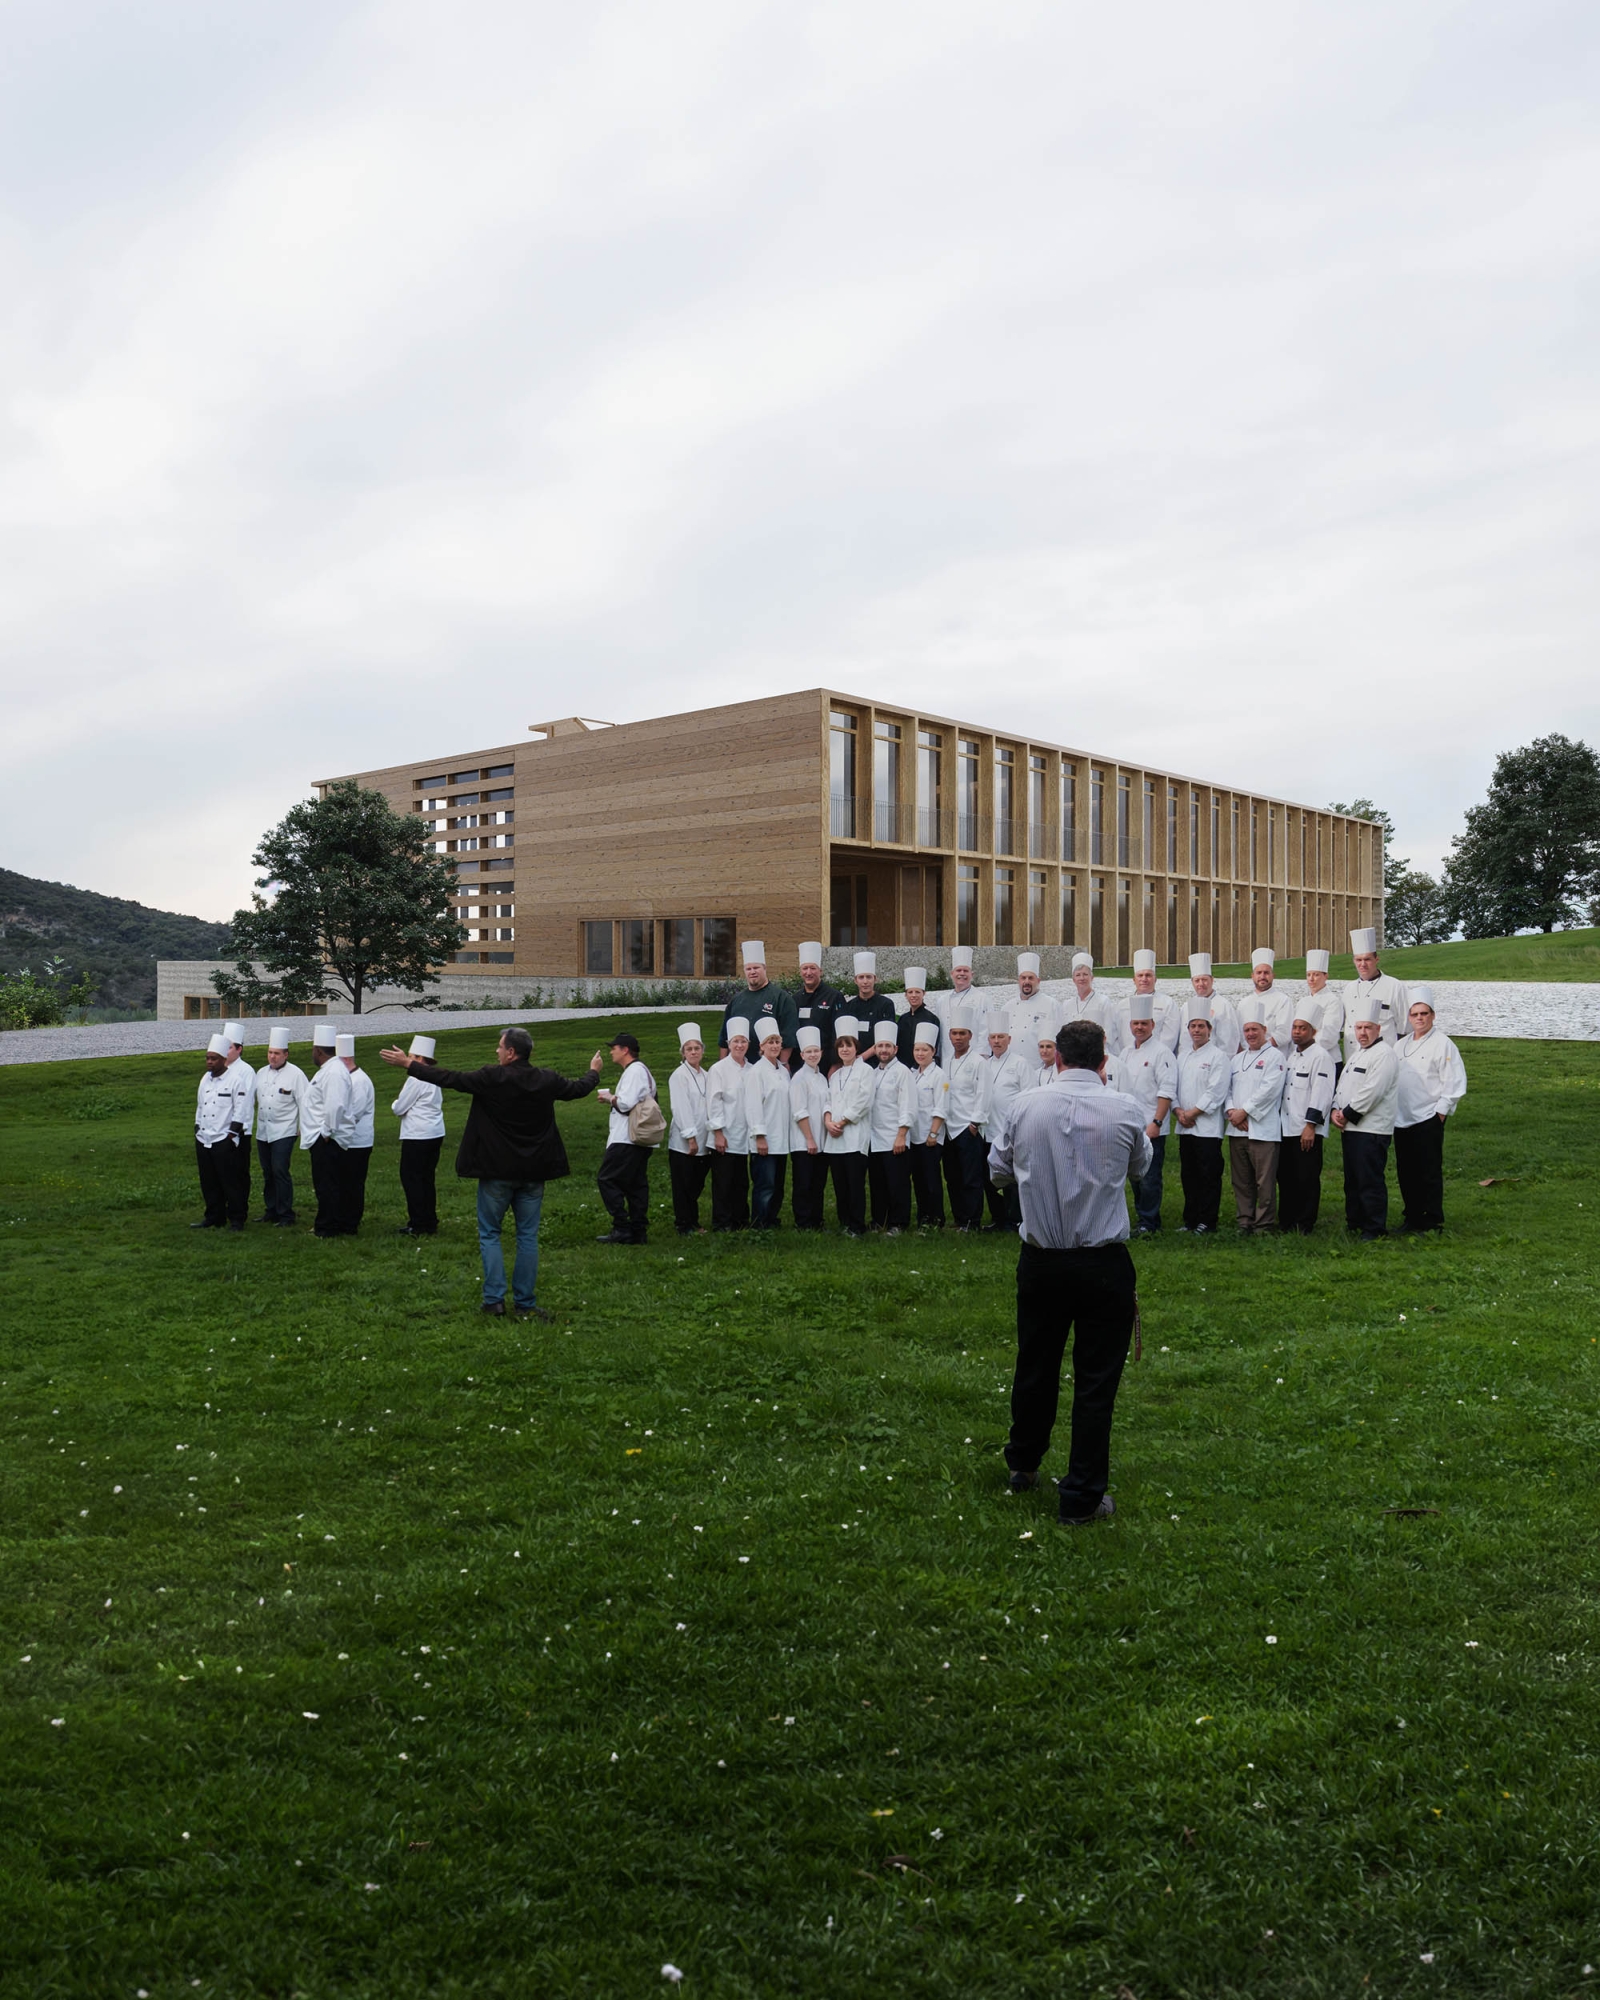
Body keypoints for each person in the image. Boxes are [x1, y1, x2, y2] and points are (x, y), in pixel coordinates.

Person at [989, 1020, 1151, 1528]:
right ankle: (1079, 1496)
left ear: (1056, 1059)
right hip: (1101, 1261)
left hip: (1042, 1259)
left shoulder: (1024, 1106)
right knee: (1095, 1381)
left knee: (1035, 1362)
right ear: (1104, 1061)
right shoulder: (1124, 1108)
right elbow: (1141, 1169)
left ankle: (1024, 1462)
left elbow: (996, 1169)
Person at [379, 1026, 602, 1318]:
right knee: (527, 1237)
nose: (496, 1051)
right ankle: (524, 1303)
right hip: (534, 1172)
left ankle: (494, 1300)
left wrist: (409, 1064)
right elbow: (578, 1089)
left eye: (499, 1047)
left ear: (511, 1052)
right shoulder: (546, 1079)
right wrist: (594, 1071)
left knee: (490, 1234)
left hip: (496, 1170)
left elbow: (450, 1079)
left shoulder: (492, 1078)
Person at [1393, 985, 1468, 1234]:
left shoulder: (1443, 1044)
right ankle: (1412, 1216)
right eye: (1415, 1014)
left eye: (1424, 1013)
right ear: (1409, 1017)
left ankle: (1432, 1219)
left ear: (1433, 1016)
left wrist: (1441, 1112)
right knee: (1406, 1170)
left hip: (1428, 1117)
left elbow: (1454, 1081)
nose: (1420, 1018)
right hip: (1401, 1118)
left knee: (1428, 1170)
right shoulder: (1399, 1045)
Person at [1332, 998, 1400, 1239]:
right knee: (1353, 1180)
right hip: (1350, 1128)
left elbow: (1373, 1091)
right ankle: (1356, 1221)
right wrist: (1334, 1110)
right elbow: (1342, 1087)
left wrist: (1346, 1114)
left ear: (1378, 1029)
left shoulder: (1384, 1055)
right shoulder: (1357, 1054)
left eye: (1367, 1028)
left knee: (1369, 1179)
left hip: (1371, 1129)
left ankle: (1374, 1227)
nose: (1362, 1032)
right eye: (1359, 1027)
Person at [1106, 995, 1175, 1234]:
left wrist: (1157, 1121)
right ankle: (1141, 1218)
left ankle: (1149, 1222)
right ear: (1130, 1026)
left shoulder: (1162, 1053)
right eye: (1135, 1023)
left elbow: (1167, 1090)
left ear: (1153, 1025)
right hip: (1130, 1126)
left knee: (1150, 1176)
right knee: (1134, 1176)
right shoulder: (1124, 1053)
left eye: (1144, 1023)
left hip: (1151, 1125)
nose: (1139, 1027)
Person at [1226, 999, 1287, 1233]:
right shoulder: (1236, 1059)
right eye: (1247, 1030)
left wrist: (1245, 1112)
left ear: (1265, 1031)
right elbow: (1227, 1089)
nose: (1250, 1034)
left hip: (1263, 1129)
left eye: (1255, 1030)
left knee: (1264, 1181)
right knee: (1241, 1180)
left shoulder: (1275, 1057)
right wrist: (1232, 1111)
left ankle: (1263, 1223)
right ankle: (1244, 1220)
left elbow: (1270, 1091)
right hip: (1237, 1128)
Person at [1277, 1001, 1336, 1235]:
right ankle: (1287, 1220)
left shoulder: (1320, 1057)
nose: (1297, 1032)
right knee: (1286, 1176)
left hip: (1305, 1129)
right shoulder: (1291, 1057)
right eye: (1294, 1027)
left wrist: (1310, 1126)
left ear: (1314, 1031)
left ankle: (1305, 1222)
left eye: (1302, 1028)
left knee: (1307, 1178)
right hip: (1286, 1127)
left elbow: (1322, 1093)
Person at [1173, 999, 1230, 1233]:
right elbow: (1172, 1086)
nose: (1196, 1030)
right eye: (1193, 1026)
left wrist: (1192, 1112)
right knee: (1189, 1174)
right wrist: (1178, 1111)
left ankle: (1207, 1221)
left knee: (1208, 1175)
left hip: (1206, 1127)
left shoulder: (1218, 1056)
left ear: (1210, 1029)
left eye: (1201, 1026)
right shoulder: (1182, 1056)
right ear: (1188, 1030)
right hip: (1185, 1126)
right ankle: (1191, 1219)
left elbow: (1216, 1092)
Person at [595, 1032, 658, 1244]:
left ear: (625, 1050)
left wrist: (609, 1098)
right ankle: (638, 1230)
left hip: (626, 1138)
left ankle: (621, 1227)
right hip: (638, 1139)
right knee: (635, 1184)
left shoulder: (634, 1071)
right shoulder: (641, 1071)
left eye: (614, 1047)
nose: (611, 1051)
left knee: (606, 1179)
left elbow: (625, 1104)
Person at [192, 1032, 248, 1230]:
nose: (209, 1062)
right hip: (204, 1138)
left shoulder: (235, 1080)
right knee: (209, 1181)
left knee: (231, 1182)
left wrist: (231, 1135)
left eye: (213, 1059)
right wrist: (197, 1128)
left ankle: (237, 1218)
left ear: (224, 1060)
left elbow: (241, 1109)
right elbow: (200, 1106)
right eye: (207, 1058)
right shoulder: (204, 1080)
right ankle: (214, 1216)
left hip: (223, 1139)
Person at [300, 1024, 352, 1238]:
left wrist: (326, 1132)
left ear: (318, 1051)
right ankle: (331, 1222)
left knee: (326, 1185)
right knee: (327, 1183)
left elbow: (335, 1105)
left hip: (327, 1139)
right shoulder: (330, 1070)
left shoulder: (334, 1072)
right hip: (322, 1136)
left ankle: (327, 1227)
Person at [822, 1017, 873, 1234]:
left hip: (854, 1135)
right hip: (834, 1138)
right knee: (840, 1184)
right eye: (841, 1046)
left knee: (854, 1184)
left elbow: (864, 1101)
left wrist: (841, 1122)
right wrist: (827, 1121)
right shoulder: (836, 1075)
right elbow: (828, 1100)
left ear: (856, 1047)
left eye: (848, 1045)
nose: (844, 1049)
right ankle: (844, 1222)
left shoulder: (866, 1071)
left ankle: (857, 1225)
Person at [979, 1009, 1028, 1232]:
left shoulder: (1020, 1064)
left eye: (1001, 1037)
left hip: (1011, 1131)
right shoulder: (985, 1064)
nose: (996, 1041)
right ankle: (998, 1218)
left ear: (1009, 1039)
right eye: (993, 1037)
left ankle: (1015, 1218)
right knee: (990, 1178)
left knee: (1011, 1178)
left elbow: (1028, 1097)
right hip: (987, 1130)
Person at [392, 1033, 445, 1235]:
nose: (409, 1061)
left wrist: (394, 1103)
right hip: (435, 1131)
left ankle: (418, 1223)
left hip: (417, 1135)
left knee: (412, 1178)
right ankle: (429, 1220)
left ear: (420, 1059)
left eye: (412, 1057)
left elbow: (399, 1107)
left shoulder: (416, 1078)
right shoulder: (434, 1076)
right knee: (426, 1178)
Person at [941, 1006, 988, 1231]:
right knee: (952, 1177)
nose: (957, 1038)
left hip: (967, 1127)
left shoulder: (978, 1062)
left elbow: (984, 1093)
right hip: (949, 1128)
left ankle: (972, 1221)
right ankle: (959, 1218)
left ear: (970, 1036)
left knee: (971, 1178)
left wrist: (975, 1122)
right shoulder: (947, 1061)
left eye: (962, 1033)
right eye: (954, 1033)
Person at [254, 1025, 305, 1227]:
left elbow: (305, 1103)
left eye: (276, 1053)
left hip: (285, 1130)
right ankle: (271, 1210)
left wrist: (302, 1127)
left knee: (280, 1170)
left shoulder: (296, 1075)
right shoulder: (260, 1073)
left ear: (286, 1054)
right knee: (267, 1171)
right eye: (270, 1052)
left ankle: (286, 1214)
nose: (272, 1057)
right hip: (263, 1130)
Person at [867, 1018, 914, 1233]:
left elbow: (908, 1105)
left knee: (897, 1184)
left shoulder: (903, 1072)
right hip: (875, 1138)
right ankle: (879, 1220)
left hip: (895, 1137)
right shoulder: (873, 1074)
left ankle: (898, 1223)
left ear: (895, 1048)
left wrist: (901, 1134)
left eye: (887, 1046)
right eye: (880, 1046)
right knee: (878, 1183)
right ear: (875, 1049)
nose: (883, 1050)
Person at [706, 1017, 752, 1232]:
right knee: (723, 1182)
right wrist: (718, 1132)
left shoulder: (752, 1070)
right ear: (728, 1044)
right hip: (724, 1134)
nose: (739, 1045)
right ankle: (722, 1222)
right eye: (735, 1041)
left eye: (743, 1041)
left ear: (748, 1044)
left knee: (741, 1180)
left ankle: (740, 1219)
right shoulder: (718, 1069)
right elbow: (714, 1102)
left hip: (744, 1136)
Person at [745, 1021, 792, 1227]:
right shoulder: (757, 1072)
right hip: (765, 1138)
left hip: (781, 1138)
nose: (774, 1045)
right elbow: (753, 1105)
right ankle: (760, 1222)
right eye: (769, 1042)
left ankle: (772, 1218)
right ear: (761, 1047)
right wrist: (760, 1136)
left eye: (777, 1042)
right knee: (765, 1184)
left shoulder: (783, 1071)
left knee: (778, 1185)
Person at [667, 1022, 711, 1236]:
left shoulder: (706, 1074)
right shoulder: (679, 1076)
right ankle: (684, 1224)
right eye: (689, 1049)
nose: (693, 1052)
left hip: (705, 1139)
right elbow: (680, 1108)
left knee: (696, 1184)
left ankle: (693, 1221)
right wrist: (690, 1138)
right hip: (684, 1142)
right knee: (683, 1185)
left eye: (697, 1048)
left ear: (702, 1050)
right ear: (683, 1053)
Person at [718, 941, 799, 1058]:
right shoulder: (736, 1000)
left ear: (765, 968)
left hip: (769, 1063)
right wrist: (723, 1064)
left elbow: (788, 1037)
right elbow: (724, 1037)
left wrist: (783, 1063)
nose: (752, 972)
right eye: (748, 969)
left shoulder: (782, 998)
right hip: (739, 1064)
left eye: (756, 968)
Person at [788, 1026, 831, 1229]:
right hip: (804, 1141)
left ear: (821, 1053)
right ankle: (803, 1221)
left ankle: (817, 1219)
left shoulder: (822, 1078)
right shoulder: (799, 1079)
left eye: (816, 1051)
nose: (813, 1055)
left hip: (821, 1140)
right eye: (809, 1052)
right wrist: (809, 1138)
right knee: (804, 1183)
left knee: (818, 1182)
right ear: (802, 1054)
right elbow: (799, 1111)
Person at [907, 1022, 948, 1227]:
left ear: (933, 1051)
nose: (920, 1053)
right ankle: (923, 1217)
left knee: (931, 1180)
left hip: (930, 1137)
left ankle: (937, 1218)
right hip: (914, 1136)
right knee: (919, 1180)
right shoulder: (913, 1074)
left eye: (925, 1050)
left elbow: (941, 1106)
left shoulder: (939, 1075)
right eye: (917, 1049)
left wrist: (933, 1134)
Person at [219, 1020, 257, 1225]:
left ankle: (238, 1214)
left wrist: (235, 1130)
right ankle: (220, 1211)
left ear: (239, 1049)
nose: (225, 1050)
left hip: (239, 1132)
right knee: (221, 1174)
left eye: (229, 1046)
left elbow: (244, 1105)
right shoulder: (218, 1068)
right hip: (218, 1132)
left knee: (238, 1174)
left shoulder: (246, 1072)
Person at [1347, 926, 1410, 1051]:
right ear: (1354, 961)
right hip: (1353, 1055)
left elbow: (1405, 1027)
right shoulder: (1349, 989)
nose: (1363, 964)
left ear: (1376, 959)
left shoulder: (1395, 986)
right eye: (1359, 960)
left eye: (1367, 959)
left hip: (1384, 1055)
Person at [1111, 950, 1182, 1055]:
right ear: (1134, 980)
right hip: (1126, 1058)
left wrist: (1151, 1057)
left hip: (1156, 1059)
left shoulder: (1167, 1003)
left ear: (1155, 979)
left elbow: (1170, 1037)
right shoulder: (1122, 1005)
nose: (1144, 979)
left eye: (1148, 975)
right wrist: (1124, 1056)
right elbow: (1115, 1035)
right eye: (1140, 975)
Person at [340, 1034, 376, 1233]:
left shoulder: (360, 1081)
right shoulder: (346, 1078)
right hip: (345, 1140)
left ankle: (351, 1221)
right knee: (343, 1182)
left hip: (357, 1141)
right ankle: (343, 1216)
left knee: (353, 1183)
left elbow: (354, 1113)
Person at [794, 942, 844, 1073]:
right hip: (799, 1062)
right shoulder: (795, 999)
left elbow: (838, 1033)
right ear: (800, 971)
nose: (808, 973)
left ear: (820, 971)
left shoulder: (834, 997)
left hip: (826, 1062)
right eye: (805, 968)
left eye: (813, 968)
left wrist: (836, 1063)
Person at [1185, 952, 1240, 1065]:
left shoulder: (1223, 1005)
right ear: (1192, 982)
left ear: (1212, 980)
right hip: (1190, 1062)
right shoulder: (1186, 1007)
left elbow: (1229, 1042)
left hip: (1215, 1063)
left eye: (1204, 980)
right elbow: (1183, 1039)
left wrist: (1221, 1064)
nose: (1201, 984)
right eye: (1197, 980)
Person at [1297, 949, 1346, 1070]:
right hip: (1304, 1059)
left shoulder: (1333, 1001)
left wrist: (1306, 1047)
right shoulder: (1302, 1002)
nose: (1311, 979)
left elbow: (1329, 1034)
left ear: (1326, 976)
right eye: (1309, 975)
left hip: (1328, 1059)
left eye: (1316, 974)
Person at [1013, 952, 1065, 1054]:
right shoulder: (1008, 1007)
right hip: (1012, 1066)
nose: (1026, 982)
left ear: (1038, 980)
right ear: (1018, 981)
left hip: (1039, 1066)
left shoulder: (1052, 1005)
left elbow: (1061, 1040)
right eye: (1023, 978)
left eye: (1031, 978)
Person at [847, 951, 899, 1047]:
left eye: (869, 977)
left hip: (878, 1058)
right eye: (861, 977)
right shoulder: (849, 1006)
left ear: (875, 979)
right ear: (855, 980)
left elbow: (886, 1037)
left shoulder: (886, 1004)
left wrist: (863, 1057)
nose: (865, 981)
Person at [1248, 948, 1295, 1052]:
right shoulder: (1244, 1003)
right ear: (1252, 976)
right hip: (1248, 1057)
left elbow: (1284, 1033)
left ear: (1273, 976)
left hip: (1275, 1057)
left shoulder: (1283, 1000)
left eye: (1266, 973)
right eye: (1259, 973)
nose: (1262, 976)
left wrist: (1260, 1048)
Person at [896, 968, 942, 1067]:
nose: (913, 995)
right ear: (905, 995)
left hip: (922, 1068)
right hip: (903, 1068)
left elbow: (934, 1048)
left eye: (917, 992)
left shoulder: (931, 1019)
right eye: (910, 992)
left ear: (923, 993)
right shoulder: (902, 1019)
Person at [1059, 953, 1112, 1036]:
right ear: (1073, 979)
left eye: (1085, 974)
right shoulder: (1067, 1005)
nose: (1082, 978)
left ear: (1092, 977)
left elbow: (1110, 1031)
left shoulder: (1103, 1002)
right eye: (1078, 975)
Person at [928, 946, 977, 1035]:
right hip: (946, 1048)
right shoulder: (942, 1001)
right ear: (952, 974)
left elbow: (985, 1031)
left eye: (965, 971)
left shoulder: (982, 999)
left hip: (972, 1048)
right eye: (958, 970)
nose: (962, 973)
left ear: (972, 974)